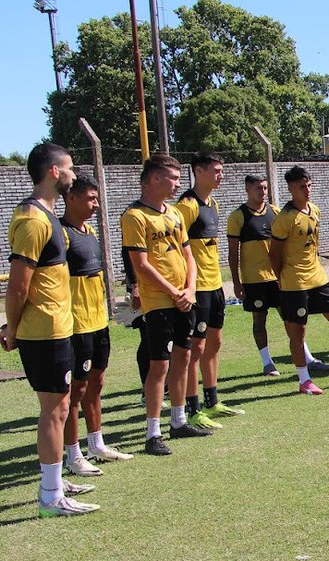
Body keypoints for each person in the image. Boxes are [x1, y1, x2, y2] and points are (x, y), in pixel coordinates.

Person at [1, 143, 99, 516]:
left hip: (58, 327)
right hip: (43, 331)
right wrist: (12, 326)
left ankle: (54, 483)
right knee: (54, 410)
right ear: (53, 172)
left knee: (58, 408)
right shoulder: (33, 220)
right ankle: (50, 496)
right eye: (70, 168)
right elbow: (18, 285)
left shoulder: (48, 215)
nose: (74, 174)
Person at [121, 153, 211, 455]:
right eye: (172, 178)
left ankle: (178, 421)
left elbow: (189, 256)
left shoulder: (173, 214)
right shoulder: (134, 216)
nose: (177, 184)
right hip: (159, 302)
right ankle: (152, 432)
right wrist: (174, 292)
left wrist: (189, 289)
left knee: (183, 359)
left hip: (184, 299)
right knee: (159, 364)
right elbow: (141, 265)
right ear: (155, 178)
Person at [269, 166, 329, 395]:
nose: (306, 190)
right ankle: (304, 380)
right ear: (290, 188)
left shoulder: (314, 210)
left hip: (318, 277)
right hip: (294, 283)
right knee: (298, 331)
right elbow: (273, 254)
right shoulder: (284, 219)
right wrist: (282, 278)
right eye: (301, 186)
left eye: (308, 185)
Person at [60, 175, 133, 478]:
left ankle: (96, 443)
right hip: (75, 325)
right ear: (71, 198)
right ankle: (72, 454)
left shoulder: (89, 231)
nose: (95, 204)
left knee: (96, 385)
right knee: (75, 391)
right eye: (90, 198)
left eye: (96, 198)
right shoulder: (61, 235)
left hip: (98, 321)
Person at [228, 175, 329, 376]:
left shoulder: (276, 213)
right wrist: (236, 281)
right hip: (253, 279)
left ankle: (307, 358)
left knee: (291, 318)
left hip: (279, 277)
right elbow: (233, 252)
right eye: (258, 188)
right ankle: (267, 363)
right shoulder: (238, 217)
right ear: (247, 190)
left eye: (265, 188)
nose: (262, 192)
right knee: (259, 320)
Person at [174, 152, 244, 432]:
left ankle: (212, 400)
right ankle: (192, 409)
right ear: (198, 171)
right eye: (215, 170)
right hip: (197, 288)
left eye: (221, 170)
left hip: (215, 286)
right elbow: (177, 246)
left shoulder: (212, 204)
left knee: (214, 343)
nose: (221, 174)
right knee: (195, 348)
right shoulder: (186, 205)